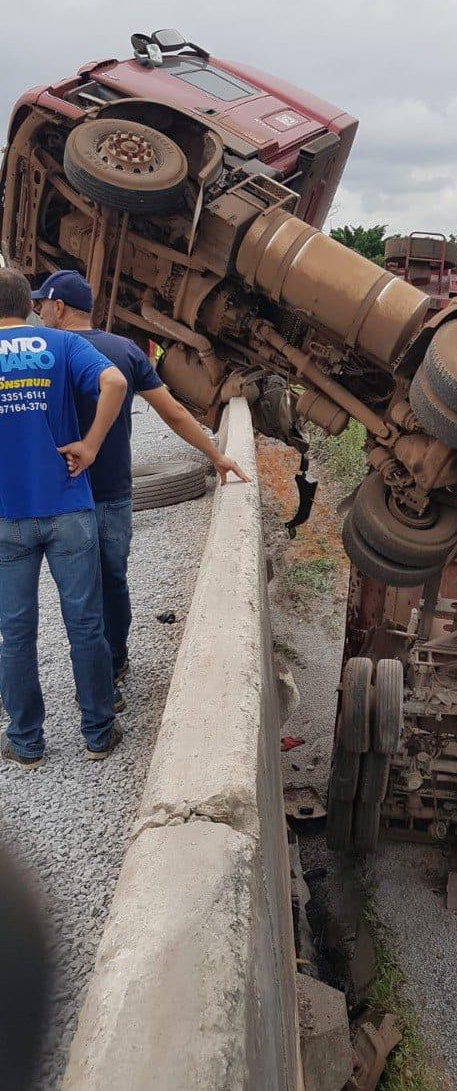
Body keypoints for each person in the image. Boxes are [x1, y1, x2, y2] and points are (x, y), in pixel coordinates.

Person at [35, 270, 250, 695]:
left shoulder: (47, 352)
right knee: (113, 580)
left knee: (81, 594)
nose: (40, 311)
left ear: (58, 308)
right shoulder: (125, 350)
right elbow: (172, 413)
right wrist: (216, 455)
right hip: (114, 492)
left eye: (43, 304)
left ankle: (95, 686)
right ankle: (115, 662)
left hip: (63, 495)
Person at [0, 268, 127, 767]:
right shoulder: (58, 342)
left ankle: (26, 741)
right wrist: (91, 446)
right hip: (70, 506)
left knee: (17, 631)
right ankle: (98, 734)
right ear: (28, 305)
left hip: (8, 514)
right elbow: (114, 381)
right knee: (85, 624)